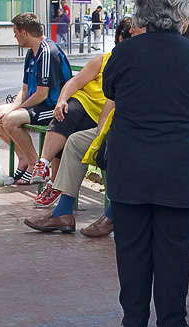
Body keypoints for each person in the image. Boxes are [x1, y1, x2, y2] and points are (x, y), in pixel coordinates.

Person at [102, 0, 189, 327]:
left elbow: (112, 94)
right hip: (177, 169)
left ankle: (133, 322)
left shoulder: (123, 53)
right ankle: (173, 326)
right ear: (182, 11)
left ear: (143, 8)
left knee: (130, 247)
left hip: (129, 165)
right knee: (172, 250)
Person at [23, 18, 137, 227]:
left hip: (123, 128)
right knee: (69, 122)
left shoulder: (140, 65)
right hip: (87, 112)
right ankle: (59, 203)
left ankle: (111, 215)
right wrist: (62, 100)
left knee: (98, 141)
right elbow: (77, 83)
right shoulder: (106, 60)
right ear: (121, 39)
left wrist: (103, 130)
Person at [0, 12, 71, 184]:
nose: (15, 36)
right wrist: (12, 108)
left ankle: (34, 163)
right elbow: (24, 89)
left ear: (24, 32)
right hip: (38, 104)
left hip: (53, 108)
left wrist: (15, 112)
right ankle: (23, 157)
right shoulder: (32, 52)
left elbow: (42, 94)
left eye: (15, 32)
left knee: (10, 120)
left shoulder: (47, 52)